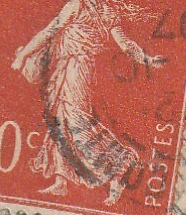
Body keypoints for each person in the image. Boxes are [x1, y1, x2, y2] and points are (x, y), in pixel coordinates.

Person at [11, 0, 165, 204]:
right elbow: (126, 45)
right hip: (71, 69)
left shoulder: (82, 7)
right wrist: (147, 60)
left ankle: (120, 165)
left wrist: (22, 56)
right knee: (59, 122)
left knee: (76, 124)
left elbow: (49, 31)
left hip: (76, 71)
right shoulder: (103, 11)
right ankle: (61, 180)